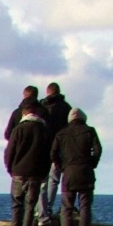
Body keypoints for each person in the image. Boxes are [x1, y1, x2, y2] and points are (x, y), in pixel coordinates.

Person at [53, 108, 103, 226]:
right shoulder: (90, 131)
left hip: (68, 173)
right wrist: (92, 163)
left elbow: (53, 153)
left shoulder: (62, 133)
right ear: (84, 119)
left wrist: (62, 167)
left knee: (66, 206)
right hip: (86, 172)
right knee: (85, 206)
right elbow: (98, 150)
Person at [4, 100, 52, 226]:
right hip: (36, 174)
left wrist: (10, 169)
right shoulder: (44, 130)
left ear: (24, 115)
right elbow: (48, 155)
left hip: (18, 172)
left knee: (17, 205)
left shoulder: (18, 129)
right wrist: (44, 172)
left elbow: (9, 152)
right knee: (31, 205)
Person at [38, 82, 73, 217]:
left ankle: (40, 211)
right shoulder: (66, 108)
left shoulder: (41, 107)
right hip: (59, 149)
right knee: (54, 180)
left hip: (42, 148)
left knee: (42, 182)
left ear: (47, 92)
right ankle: (48, 208)